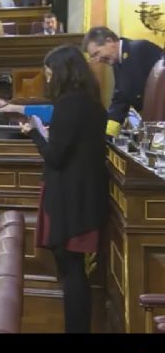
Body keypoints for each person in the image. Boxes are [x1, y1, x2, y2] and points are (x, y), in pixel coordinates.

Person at [20, 44, 109, 333]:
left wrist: (34, 133)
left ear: (61, 72)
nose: (47, 80)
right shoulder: (92, 101)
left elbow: (56, 156)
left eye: (49, 73)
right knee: (75, 270)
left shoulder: (68, 104)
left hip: (69, 197)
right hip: (85, 195)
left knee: (71, 271)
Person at [82, 26, 162, 137]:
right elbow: (121, 99)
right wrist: (108, 134)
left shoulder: (140, 48)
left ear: (109, 41)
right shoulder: (118, 64)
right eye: (93, 57)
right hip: (153, 125)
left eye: (96, 54)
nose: (98, 60)